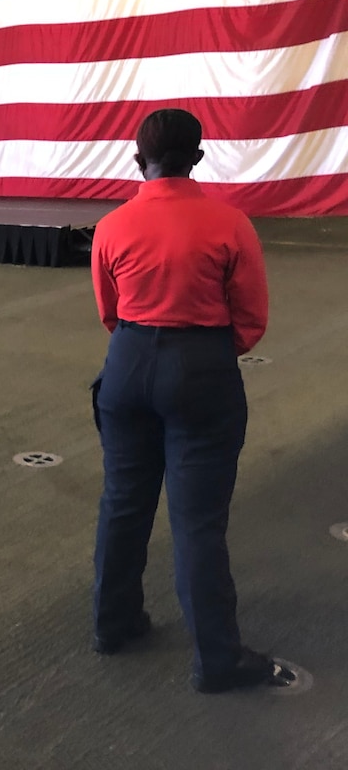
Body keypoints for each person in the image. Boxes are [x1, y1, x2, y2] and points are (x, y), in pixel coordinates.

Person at [89, 108, 293, 693]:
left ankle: (113, 624)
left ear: (137, 161)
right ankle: (217, 660)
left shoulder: (112, 226)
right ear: (198, 159)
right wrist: (200, 351)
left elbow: (109, 312)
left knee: (123, 503)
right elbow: (251, 319)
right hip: (202, 370)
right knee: (198, 521)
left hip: (126, 368)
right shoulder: (230, 224)